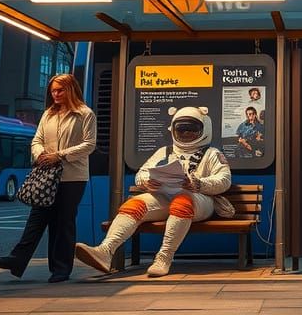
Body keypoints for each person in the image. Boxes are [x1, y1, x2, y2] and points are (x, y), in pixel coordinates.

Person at [75, 106, 231, 277]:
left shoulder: (212, 154)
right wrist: (147, 182)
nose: (186, 133)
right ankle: (105, 251)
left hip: (199, 200)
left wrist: (198, 184)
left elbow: (224, 180)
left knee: (182, 202)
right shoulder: (164, 152)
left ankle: (164, 258)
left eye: (192, 129)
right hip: (165, 196)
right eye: (181, 129)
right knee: (134, 205)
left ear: (204, 129)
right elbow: (141, 173)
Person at [0, 74, 96, 283]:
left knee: (63, 222)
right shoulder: (48, 113)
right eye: (53, 91)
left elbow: (89, 144)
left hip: (72, 177)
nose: (55, 94)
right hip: (47, 174)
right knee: (37, 217)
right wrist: (40, 154)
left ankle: (61, 268)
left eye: (60, 90)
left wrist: (60, 155)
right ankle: (16, 259)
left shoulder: (85, 114)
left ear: (71, 89)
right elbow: (37, 140)